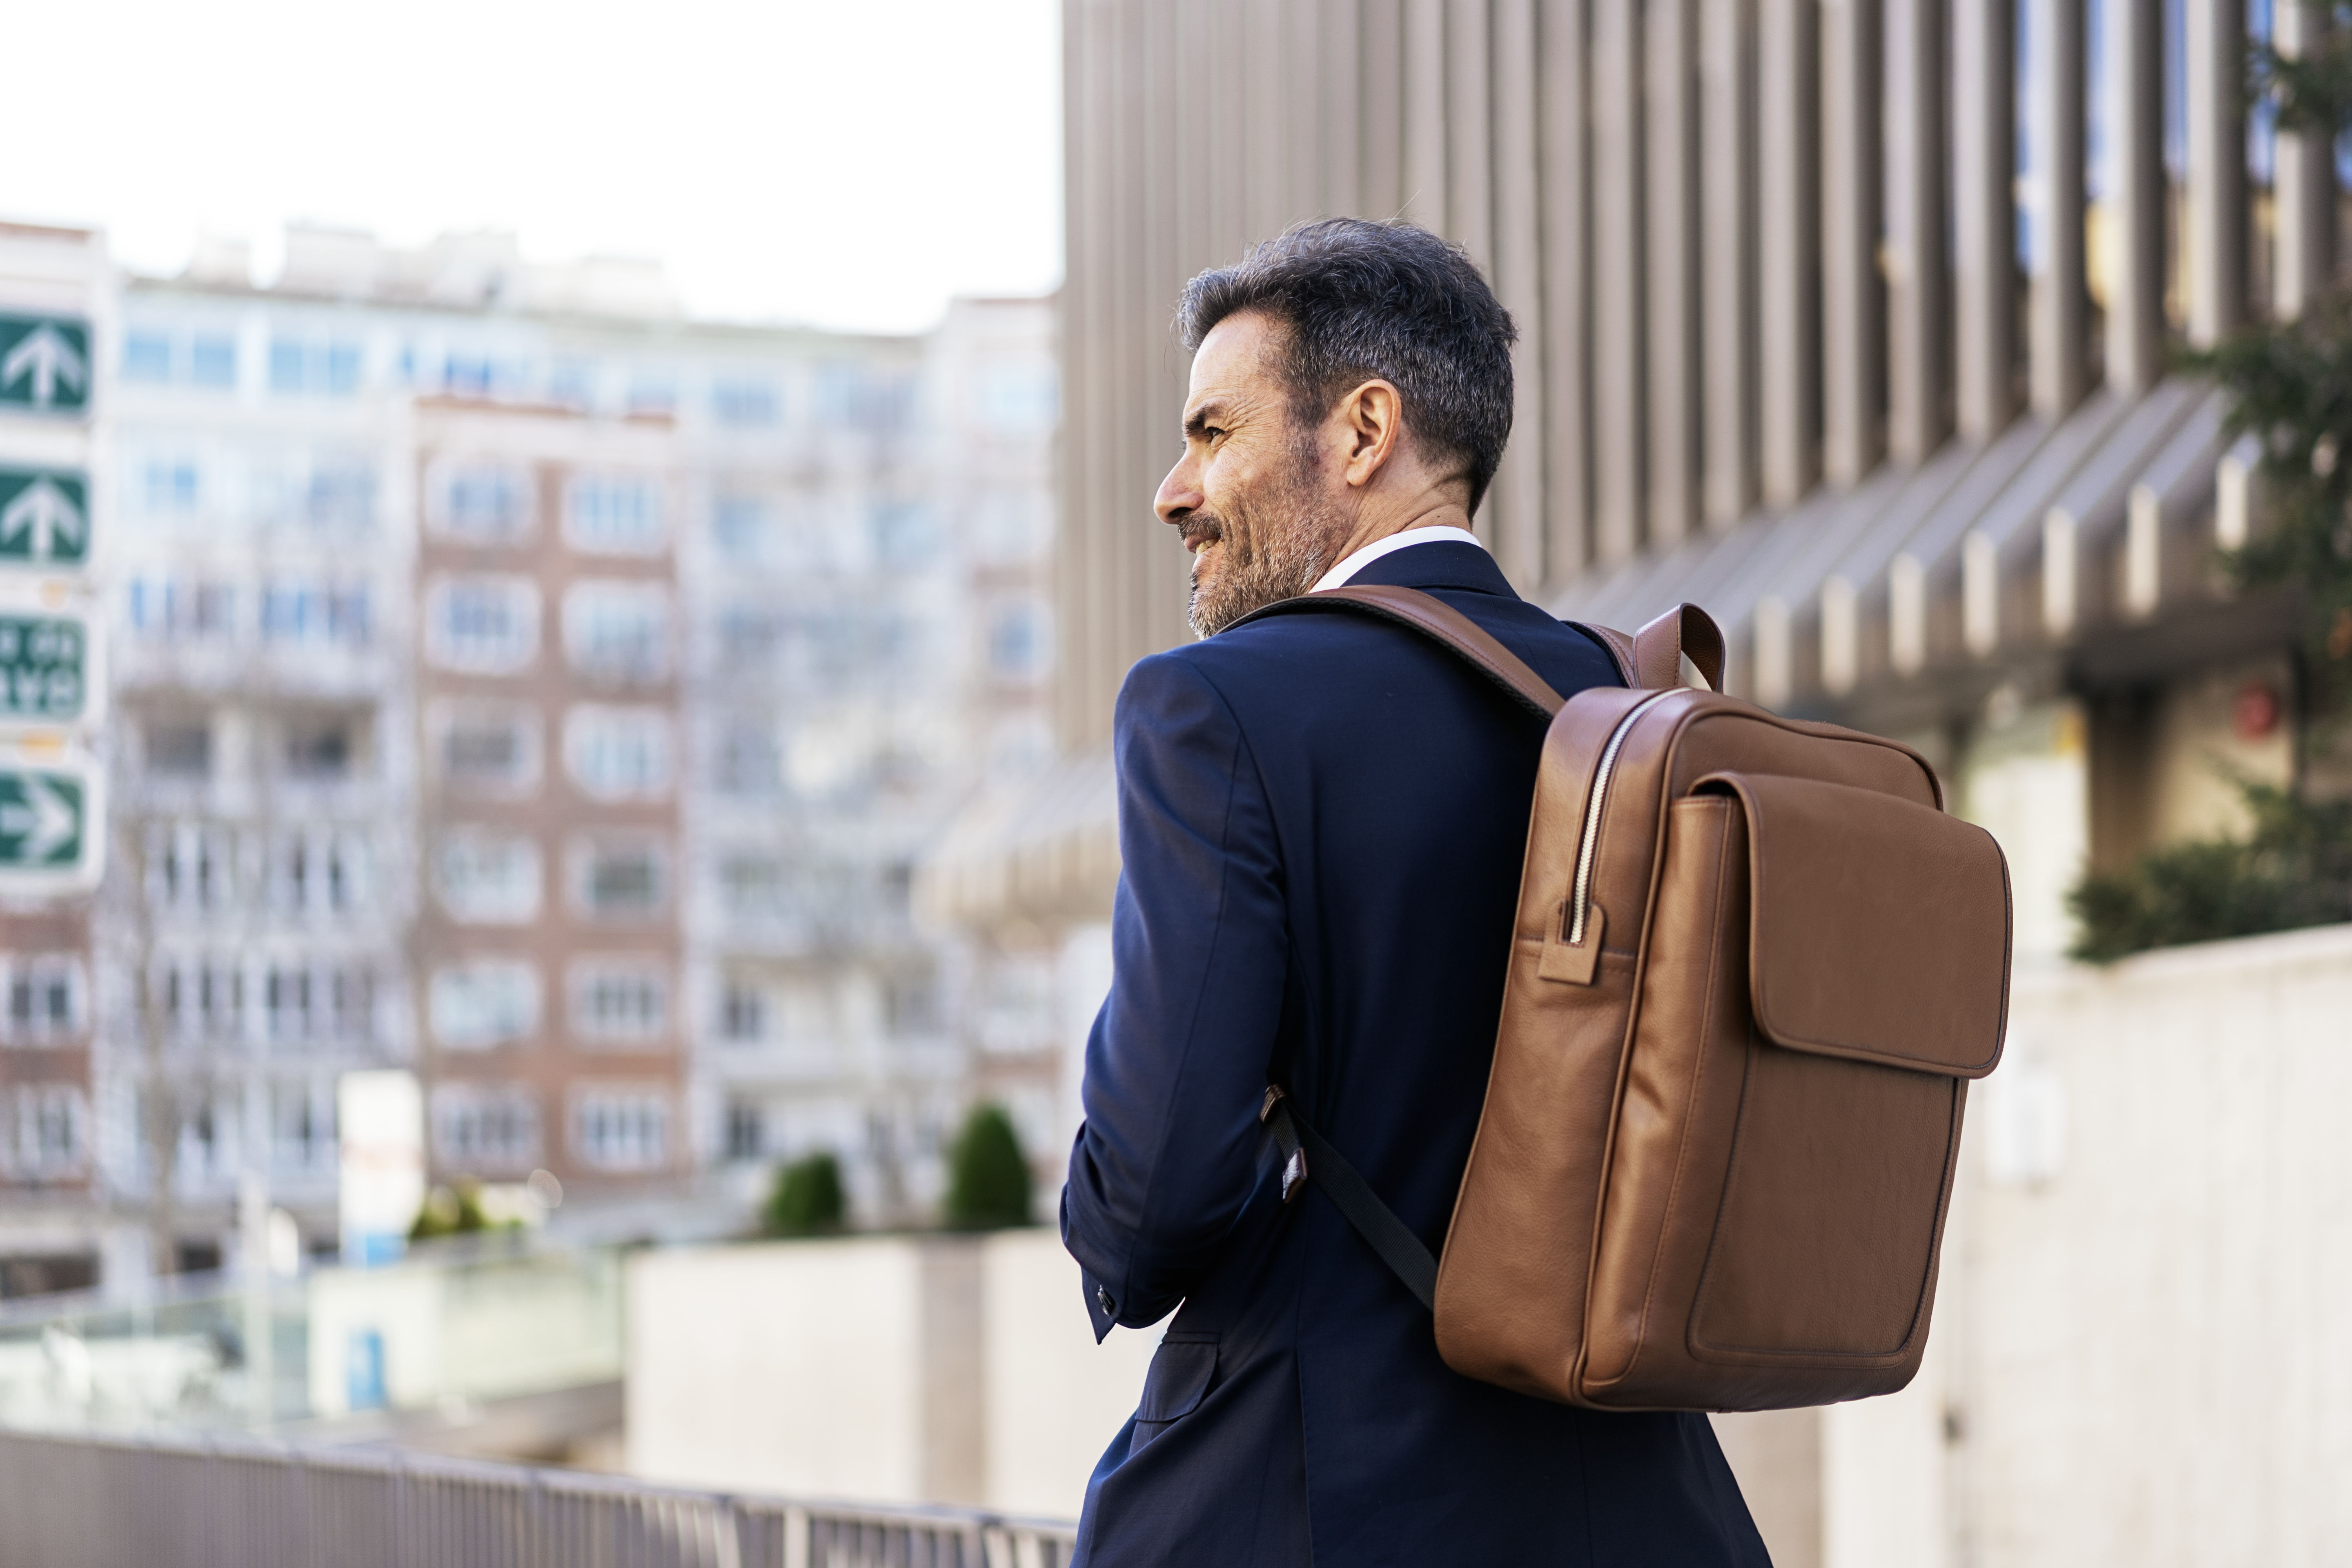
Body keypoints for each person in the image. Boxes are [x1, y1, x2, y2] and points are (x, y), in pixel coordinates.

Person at [1060, 219, 1770, 1567]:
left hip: (1321, 1495)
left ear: (1365, 428)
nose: (1173, 488)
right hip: (1647, 1506)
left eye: (1214, 433)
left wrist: (1105, 1210)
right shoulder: (1632, 710)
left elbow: (1152, 1197)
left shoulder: (1213, 710)